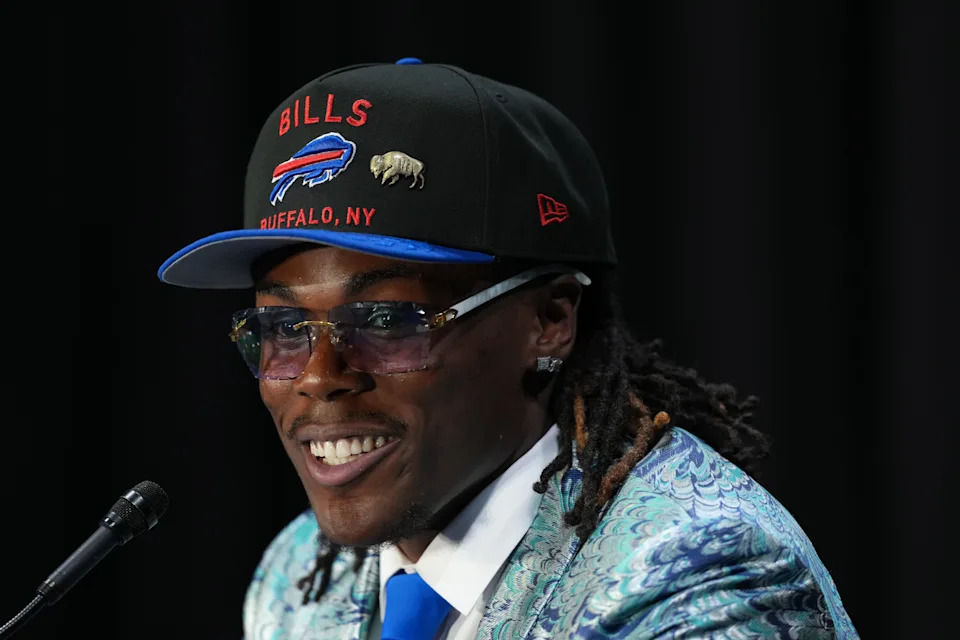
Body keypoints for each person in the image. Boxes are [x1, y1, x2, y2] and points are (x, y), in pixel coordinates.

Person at [158, 57, 858, 640]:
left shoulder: (702, 574)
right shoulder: (297, 577)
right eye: (282, 329)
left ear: (549, 320)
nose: (317, 376)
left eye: (385, 321)